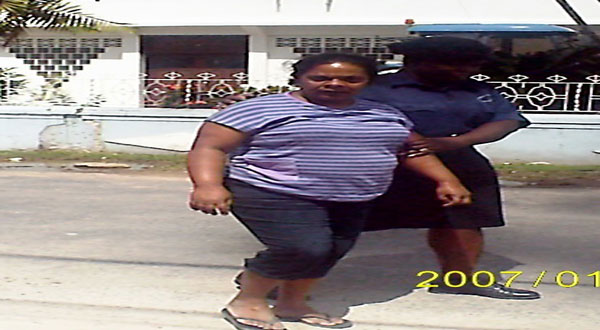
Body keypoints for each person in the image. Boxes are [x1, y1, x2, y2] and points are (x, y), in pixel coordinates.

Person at [187, 53, 471, 330]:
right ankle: (247, 302)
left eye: (350, 79)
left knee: (331, 251)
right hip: (273, 190)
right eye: (320, 77)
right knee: (302, 248)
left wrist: (447, 180)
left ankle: (292, 304)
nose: (335, 83)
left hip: (354, 196)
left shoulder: (384, 113)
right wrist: (208, 185)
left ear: (367, 82)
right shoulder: (258, 109)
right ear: (299, 78)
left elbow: (411, 150)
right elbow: (210, 146)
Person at [360, 36, 541, 299]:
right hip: (381, 162)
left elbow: (507, 120)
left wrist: (456, 142)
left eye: (472, 65)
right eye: (456, 66)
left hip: (459, 160)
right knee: (339, 223)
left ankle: (459, 279)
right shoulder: (375, 89)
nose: (467, 71)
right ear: (418, 62)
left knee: (464, 221)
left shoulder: (478, 90)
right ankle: (291, 281)